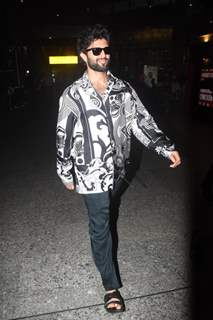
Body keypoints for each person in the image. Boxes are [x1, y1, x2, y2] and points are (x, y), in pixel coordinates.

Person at [56, 24, 181, 314]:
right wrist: (65, 172)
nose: (103, 55)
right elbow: (63, 135)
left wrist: (165, 147)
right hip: (89, 172)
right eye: (96, 50)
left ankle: (105, 228)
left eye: (106, 49)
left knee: (109, 211)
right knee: (100, 225)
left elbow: (141, 121)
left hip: (119, 169)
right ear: (82, 55)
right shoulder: (72, 95)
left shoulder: (122, 89)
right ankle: (110, 287)